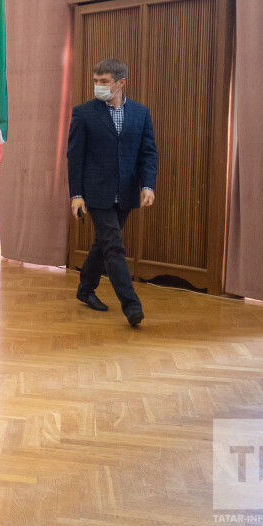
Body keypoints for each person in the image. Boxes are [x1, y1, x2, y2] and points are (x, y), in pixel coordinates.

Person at [67, 58, 158, 327]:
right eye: (96, 81)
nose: (98, 86)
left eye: (104, 81)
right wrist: (76, 195)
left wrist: (147, 186)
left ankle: (85, 289)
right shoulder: (83, 113)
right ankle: (132, 307)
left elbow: (148, 153)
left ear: (121, 83)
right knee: (114, 247)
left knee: (103, 243)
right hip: (96, 193)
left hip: (126, 192)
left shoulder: (140, 113)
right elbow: (75, 157)